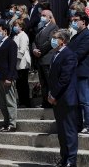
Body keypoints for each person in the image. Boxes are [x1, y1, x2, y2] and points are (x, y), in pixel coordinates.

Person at [48, 29, 78, 167]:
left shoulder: (69, 55)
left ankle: (71, 160)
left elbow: (64, 78)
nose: (53, 40)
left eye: (55, 38)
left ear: (63, 40)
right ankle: (64, 157)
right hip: (58, 99)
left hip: (67, 98)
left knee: (69, 131)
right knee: (61, 132)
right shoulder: (55, 54)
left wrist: (54, 94)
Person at [32, 10, 59, 108]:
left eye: (44, 15)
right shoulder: (40, 28)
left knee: (49, 81)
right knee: (43, 82)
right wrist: (34, 49)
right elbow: (34, 41)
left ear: (50, 17)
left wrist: (40, 51)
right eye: (41, 15)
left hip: (47, 58)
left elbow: (50, 41)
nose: (42, 17)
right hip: (40, 59)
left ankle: (52, 101)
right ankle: (45, 101)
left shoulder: (54, 27)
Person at [68, 12, 89, 134]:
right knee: (77, 101)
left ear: (84, 22)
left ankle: (88, 124)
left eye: (76, 20)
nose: (73, 22)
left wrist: (68, 60)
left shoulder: (87, 35)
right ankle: (79, 124)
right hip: (74, 72)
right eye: (72, 19)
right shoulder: (75, 36)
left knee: (85, 100)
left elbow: (80, 52)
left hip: (83, 72)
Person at [0, 23, 18, 132]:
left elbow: (13, 62)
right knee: (2, 102)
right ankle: (6, 122)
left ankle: (12, 124)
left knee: (10, 101)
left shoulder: (11, 43)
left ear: (5, 31)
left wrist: (10, 77)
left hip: (8, 77)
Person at [13, 19, 31, 108]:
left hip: (22, 62)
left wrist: (14, 59)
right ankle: (21, 101)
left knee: (23, 83)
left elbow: (22, 50)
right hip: (17, 63)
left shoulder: (23, 36)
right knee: (19, 84)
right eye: (14, 25)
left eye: (16, 25)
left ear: (21, 26)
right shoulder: (16, 36)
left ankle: (25, 102)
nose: (14, 27)